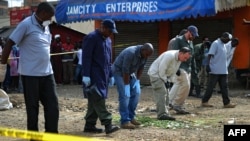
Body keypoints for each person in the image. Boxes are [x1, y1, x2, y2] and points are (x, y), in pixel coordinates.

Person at [1, 2, 59, 135]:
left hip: (47, 73)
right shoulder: (26, 24)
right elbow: (9, 43)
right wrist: (2, 66)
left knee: (53, 106)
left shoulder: (46, 26)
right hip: (30, 75)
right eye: (49, 16)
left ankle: (52, 135)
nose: (51, 20)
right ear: (43, 13)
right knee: (33, 109)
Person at [82, 19, 119, 134]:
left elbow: (109, 60)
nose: (111, 33)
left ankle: (89, 125)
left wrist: (111, 75)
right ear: (103, 27)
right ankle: (108, 124)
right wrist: (86, 75)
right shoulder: (91, 38)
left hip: (104, 75)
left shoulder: (108, 40)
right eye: (109, 31)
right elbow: (86, 58)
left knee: (94, 101)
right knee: (98, 99)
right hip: (93, 75)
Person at [112, 43, 154, 129]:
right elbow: (125, 70)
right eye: (146, 55)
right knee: (125, 96)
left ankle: (131, 117)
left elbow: (141, 68)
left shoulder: (145, 55)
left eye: (148, 56)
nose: (147, 57)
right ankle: (125, 121)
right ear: (143, 50)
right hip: (119, 72)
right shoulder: (130, 53)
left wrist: (137, 80)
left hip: (130, 72)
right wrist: (127, 86)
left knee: (136, 94)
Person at [148, 47, 191, 120]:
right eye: (185, 57)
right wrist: (165, 80)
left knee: (167, 95)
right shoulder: (170, 56)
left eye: (187, 58)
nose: (185, 60)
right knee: (161, 94)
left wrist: (170, 80)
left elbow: (173, 71)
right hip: (156, 75)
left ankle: (165, 112)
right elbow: (161, 69)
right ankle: (161, 115)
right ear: (181, 53)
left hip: (164, 76)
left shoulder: (179, 59)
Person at [169, 25, 199, 114]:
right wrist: (176, 67)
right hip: (181, 66)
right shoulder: (178, 40)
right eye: (193, 35)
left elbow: (192, 56)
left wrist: (194, 69)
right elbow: (174, 54)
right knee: (186, 85)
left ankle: (169, 102)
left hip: (188, 68)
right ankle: (177, 105)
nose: (194, 37)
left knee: (178, 84)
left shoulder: (190, 42)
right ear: (189, 32)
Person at [201, 32, 236, 108]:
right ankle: (204, 101)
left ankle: (226, 103)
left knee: (224, 87)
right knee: (211, 86)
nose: (228, 42)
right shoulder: (215, 43)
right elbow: (210, 54)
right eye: (228, 40)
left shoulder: (224, 45)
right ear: (224, 38)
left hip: (223, 70)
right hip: (215, 70)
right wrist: (208, 65)